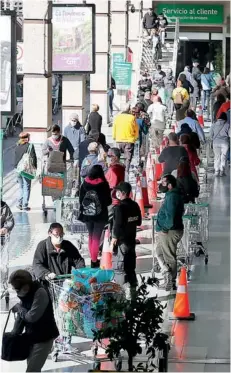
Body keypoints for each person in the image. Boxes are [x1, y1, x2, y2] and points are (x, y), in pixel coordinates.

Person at [9, 269, 59, 372]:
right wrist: (14, 333)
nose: (17, 293)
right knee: (32, 368)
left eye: (18, 290)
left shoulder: (40, 292)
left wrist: (19, 308)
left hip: (44, 337)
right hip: (32, 337)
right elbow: (22, 315)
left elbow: (32, 317)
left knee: (32, 370)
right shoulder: (26, 293)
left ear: (26, 287)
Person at [111, 182, 142, 299]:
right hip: (131, 241)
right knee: (130, 267)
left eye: (118, 191)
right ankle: (133, 293)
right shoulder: (135, 205)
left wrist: (114, 239)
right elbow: (138, 222)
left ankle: (121, 296)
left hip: (121, 242)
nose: (116, 193)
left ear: (123, 193)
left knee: (119, 268)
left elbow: (117, 225)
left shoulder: (119, 208)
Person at [79, 165, 112, 267]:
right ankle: (94, 261)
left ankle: (92, 258)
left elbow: (80, 199)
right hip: (100, 215)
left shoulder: (85, 183)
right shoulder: (103, 184)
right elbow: (108, 201)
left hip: (87, 214)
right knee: (97, 237)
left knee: (91, 236)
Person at [156, 175, 184, 290]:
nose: (161, 185)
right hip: (169, 230)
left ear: (170, 185)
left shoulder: (172, 197)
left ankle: (170, 282)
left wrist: (165, 228)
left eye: (163, 183)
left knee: (169, 256)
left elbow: (171, 216)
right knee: (159, 252)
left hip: (170, 231)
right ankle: (167, 271)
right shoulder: (171, 195)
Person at [112, 103, 139, 177]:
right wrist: (135, 137)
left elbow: (114, 127)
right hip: (129, 140)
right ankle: (126, 172)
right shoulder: (132, 117)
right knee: (127, 158)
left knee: (117, 156)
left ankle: (117, 170)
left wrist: (114, 136)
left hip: (119, 139)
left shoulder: (117, 117)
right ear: (129, 109)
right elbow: (136, 129)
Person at [15, 132, 37, 211]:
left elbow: (16, 158)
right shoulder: (30, 146)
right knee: (27, 187)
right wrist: (35, 168)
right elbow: (33, 158)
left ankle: (19, 203)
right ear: (27, 138)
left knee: (21, 187)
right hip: (26, 170)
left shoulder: (17, 145)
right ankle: (25, 205)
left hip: (18, 169)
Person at [64, 113, 86, 181]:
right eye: (72, 120)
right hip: (69, 150)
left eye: (75, 120)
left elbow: (82, 141)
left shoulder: (81, 128)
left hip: (77, 150)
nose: (74, 122)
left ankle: (76, 181)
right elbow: (64, 140)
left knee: (76, 167)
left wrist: (79, 150)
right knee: (69, 167)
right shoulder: (66, 128)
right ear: (70, 120)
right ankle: (70, 180)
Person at [210, 112, 230, 176]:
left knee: (217, 157)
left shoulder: (213, 125)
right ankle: (222, 171)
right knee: (223, 157)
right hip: (225, 143)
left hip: (215, 143)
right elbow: (230, 135)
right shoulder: (228, 125)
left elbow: (211, 136)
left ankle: (216, 171)